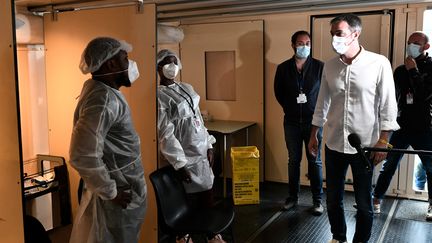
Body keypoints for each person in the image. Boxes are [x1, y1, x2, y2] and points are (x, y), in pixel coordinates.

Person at [308, 14, 399, 243]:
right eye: (332, 34)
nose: (334, 39)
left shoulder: (378, 63)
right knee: (332, 199)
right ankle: (338, 237)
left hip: (365, 146)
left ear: (355, 34)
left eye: (339, 33)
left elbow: (389, 104)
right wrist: (313, 134)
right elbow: (322, 102)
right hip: (334, 143)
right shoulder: (329, 66)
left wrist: (384, 141)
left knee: (364, 203)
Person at [69, 37, 147, 243]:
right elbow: (82, 155)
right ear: (111, 63)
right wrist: (111, 192)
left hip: (124, 182)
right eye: (125, 58)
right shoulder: (102, 100)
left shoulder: (105, 93)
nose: (129, 64)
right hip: (118, 190)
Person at [156, 49, 225, 243]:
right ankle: (183, 236)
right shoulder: (159, 96)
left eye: (175, 62)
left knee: (208, 191)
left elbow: (198, 120)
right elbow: (165, 133)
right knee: (186, 198)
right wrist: (179, 163)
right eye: (167, 63)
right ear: (159, 68)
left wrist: (210, 144)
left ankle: (212, 234)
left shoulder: (186, 87)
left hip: (201, 150)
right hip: (184, 154)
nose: (173, 66)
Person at [373, 31, 432, 221]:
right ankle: (376, 200)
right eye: (409, 42)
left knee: (430, 166)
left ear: (426, 47)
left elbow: (424, 96)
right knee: (389, 164)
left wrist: (413, 71)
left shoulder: (430, 68)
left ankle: (431, 204)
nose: (411, 46)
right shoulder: (399, 70)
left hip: (424, 128)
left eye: (416, 43)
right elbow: (392, 97)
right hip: (401, 127)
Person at [274, 30, 324, 215]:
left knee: (315, 161)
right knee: (293, 160)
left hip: (314, 123)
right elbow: (278, 93)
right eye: (300, 43)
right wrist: (290, 108)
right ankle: (292, 198)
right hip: (292, 122)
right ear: (293, 45)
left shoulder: (320, 67)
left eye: (308, 43)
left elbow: (325, 94)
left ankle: (318, 200)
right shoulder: (283, 68)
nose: (304, 46)